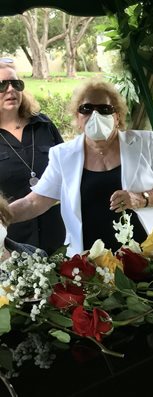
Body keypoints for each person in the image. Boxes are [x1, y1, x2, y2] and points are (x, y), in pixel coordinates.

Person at [7, 79, 153, 256]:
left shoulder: (145, 143)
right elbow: (34, 202)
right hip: (91, 264)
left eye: (105, 110)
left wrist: (141, 198)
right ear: (77, 118)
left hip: (149, 253)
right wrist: (4, 214)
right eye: (86, 109)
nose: (94, 115)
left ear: (117, 116)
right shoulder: (63, 155)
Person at [0, 60, 65, 254]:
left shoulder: (43, 124)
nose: (11, 90)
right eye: (2, 85)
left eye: (16, 83)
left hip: (57, 231)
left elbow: (68, 168)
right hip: (12, 238)